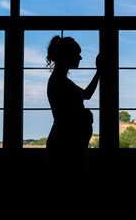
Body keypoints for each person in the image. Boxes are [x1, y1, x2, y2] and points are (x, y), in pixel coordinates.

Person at [45, 35, 102, 191]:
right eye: (77, 54)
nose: (80, 57)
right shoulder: (59, 81)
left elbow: (87, 95)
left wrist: (98, 72)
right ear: (66, 56)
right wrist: (85, 115)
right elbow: (65, 117)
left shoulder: (62, 80)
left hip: (72, 145)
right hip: (66, 147)